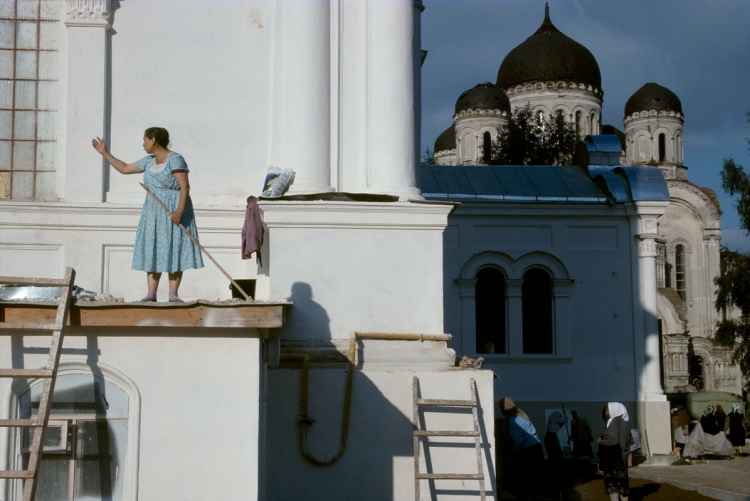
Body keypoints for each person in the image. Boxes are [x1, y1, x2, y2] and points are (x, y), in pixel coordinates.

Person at [92, 128, 204, 302]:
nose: (143, 143)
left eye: (145, 140)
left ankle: (173, 294)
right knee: (153, 246)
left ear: (153, 140)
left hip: (173, 208)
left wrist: (180, 210)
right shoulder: (148, 161)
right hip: (153, 212)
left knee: (173, 246)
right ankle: (151, 293)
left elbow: (184, 186)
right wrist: (104, 153)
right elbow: (124, 168)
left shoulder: (175, 159)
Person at [499, 397, 544, 501]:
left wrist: (511, 457)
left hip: (529, 449)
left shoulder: (513, 420)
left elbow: (518, 442)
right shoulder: (521, 415)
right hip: (536, 447)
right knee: (531, 478)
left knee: (525, 477)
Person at [596, 403, 632, 501]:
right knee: (623, 485)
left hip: (614, 459)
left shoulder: (614, 422)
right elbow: (631, 441)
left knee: (612, 485)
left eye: (608, 410)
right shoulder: (626, 423)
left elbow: (613, 441)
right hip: (623, 458)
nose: (607, 413)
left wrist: (600, 442)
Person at [544, 410, 569, 484]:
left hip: (551, 437)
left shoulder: (552, 419)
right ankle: (554, 474)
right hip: (551, 438)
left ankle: (554, 472)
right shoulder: (554, 419)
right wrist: (565, 413)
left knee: (554, 456)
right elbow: (566, 420)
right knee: (555, 455)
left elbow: (561, 425)